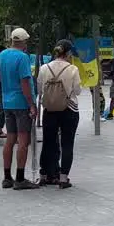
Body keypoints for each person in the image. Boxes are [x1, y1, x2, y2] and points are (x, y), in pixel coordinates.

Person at [0, 28, 38, 190]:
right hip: (21, 104)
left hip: (7, 103)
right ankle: (20, 178)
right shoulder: (22, 58)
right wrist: (31, 104)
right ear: (23, 42)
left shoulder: (3, 55)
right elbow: (25, 83)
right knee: (23, 141)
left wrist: (3, 79)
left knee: (10, 139)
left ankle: (6, 177)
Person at [38, 40, 82, 188]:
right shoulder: (73, 69)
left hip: (49, 110)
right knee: (67, 143)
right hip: (69, 110)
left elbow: (40, 90)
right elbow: (77, 91)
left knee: (48, 142)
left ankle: (43, 174)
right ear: (68, 53)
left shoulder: (44, 68)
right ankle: (63, 178)